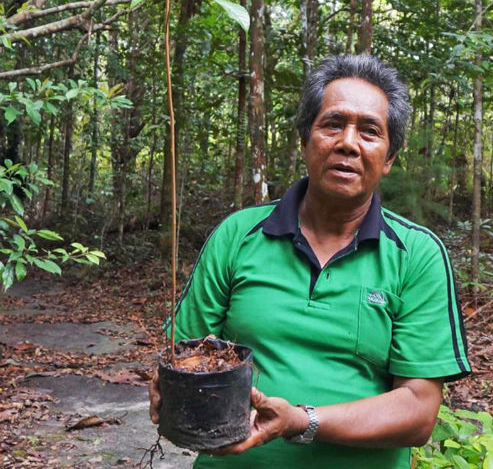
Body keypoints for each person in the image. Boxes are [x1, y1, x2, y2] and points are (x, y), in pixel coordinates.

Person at [149, 54, 471, 469]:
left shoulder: (417, 254)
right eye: (332, 124)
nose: (348, 143)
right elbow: (186, 354)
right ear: (305, 139)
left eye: (370, 131)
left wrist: (301, 421)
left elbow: (418, 412)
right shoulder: (238, 235)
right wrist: (167, 389)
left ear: (389, 158)